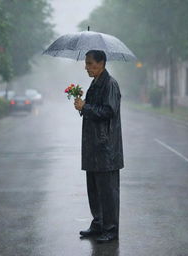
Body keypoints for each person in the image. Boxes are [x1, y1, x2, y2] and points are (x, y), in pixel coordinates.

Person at [74, 50, 124, 243]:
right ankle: (98, 224)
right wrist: (83, 105)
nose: (86, 67)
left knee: (108, 191)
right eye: (86, 63)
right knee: (94, 189)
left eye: (89, 63)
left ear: (101, 63)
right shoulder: (95, 83)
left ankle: (110, 229)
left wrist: (85, 107)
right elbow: (93, 109)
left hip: (106, 148)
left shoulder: (110, 84)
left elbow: (109, 111)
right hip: (93, 146)